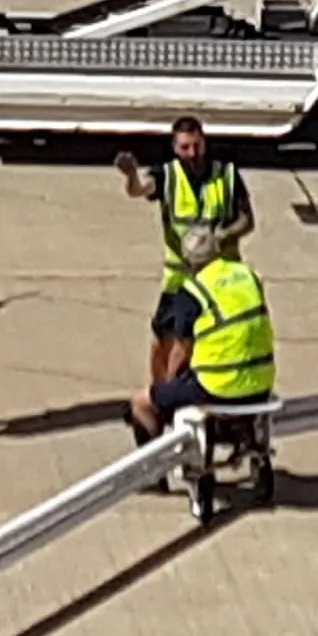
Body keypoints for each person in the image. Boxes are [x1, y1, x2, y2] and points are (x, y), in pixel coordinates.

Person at [116, 116, 255, 385]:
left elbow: (247, 219)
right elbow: (139, 190)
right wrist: (131, 174)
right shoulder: (168, 176)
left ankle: (184, 392)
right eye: (185, 148)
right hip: (180, 278)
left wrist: (220, 237)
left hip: (219, 276)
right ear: (175, 148)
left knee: (195, 342)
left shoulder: (226, 174)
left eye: (196, 146)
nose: (192, 154)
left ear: (204, 142)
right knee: (162, 342)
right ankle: (159, 394)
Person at [129, 249, 275, 441]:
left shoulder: (195, 290)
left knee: (141, 403)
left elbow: (180, 352)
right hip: (261, 386)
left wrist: (170, 385)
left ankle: (154, 466)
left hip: (217, 389)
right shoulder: (248, 276)